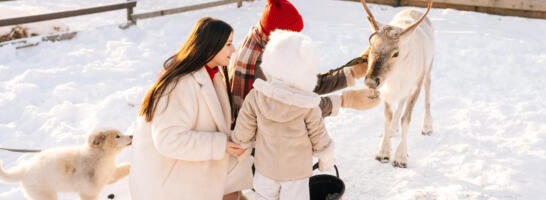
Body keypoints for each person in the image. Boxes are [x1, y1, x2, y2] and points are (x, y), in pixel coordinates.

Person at [129, 17, 250, 200]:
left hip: (191, 181)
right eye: (228, 44)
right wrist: (220, 144)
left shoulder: (211, 76)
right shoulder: (180, 84)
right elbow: (169, 139)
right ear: (210, 46)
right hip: (172, 187)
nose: (233, 50)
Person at [229, 0, 379, 128]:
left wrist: (351, 72)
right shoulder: (259, 68)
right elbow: (292, 108)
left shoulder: (260, 42)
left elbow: (301, 84)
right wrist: (344, 101)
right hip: (267, 149)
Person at [232, 30, 335, 200]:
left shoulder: (256, 96)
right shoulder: (307, 105)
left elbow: (243, 131)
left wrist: (240, 143)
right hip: (296, 173)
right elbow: (319, 136)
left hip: (265, 168)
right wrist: (326, 159)